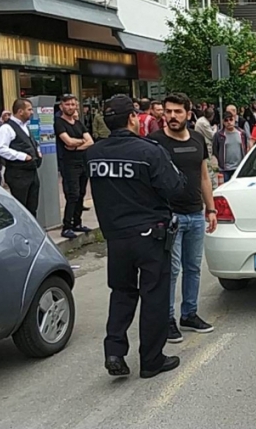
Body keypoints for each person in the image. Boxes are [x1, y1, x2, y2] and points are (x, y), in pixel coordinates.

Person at [86, 95, 186, 379]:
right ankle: (151, 360)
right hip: (150, 236)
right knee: (153, 295)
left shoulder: (93, 153)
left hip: (116, 238)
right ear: (132, 118)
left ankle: (115, 351)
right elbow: (175, 188)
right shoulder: (148, 151)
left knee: (121, 293)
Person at [150, 93, 218, 343]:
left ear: (188, 114)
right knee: (171, 269)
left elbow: (204, 176)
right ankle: (166, 319)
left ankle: (189, 314)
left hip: (195, 214)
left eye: (178, 112)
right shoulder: (155, 142)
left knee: (193, 268)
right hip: (169, 216)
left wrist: (210, 209)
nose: (172, 116)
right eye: (168, 111)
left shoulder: (198, 139)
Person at [55, 94, 94, 239]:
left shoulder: (78, 123)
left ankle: (77, 222)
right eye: (67, 104)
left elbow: (90, 141)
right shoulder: (59, 123)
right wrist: (79, 142)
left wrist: (76, 146)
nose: (70, 107)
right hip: (69, 164)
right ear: (61, 106)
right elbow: (67, 141)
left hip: (82, 162)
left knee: (82, 193)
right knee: (73, 194)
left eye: (73, 104)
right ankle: (67, 226)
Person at [0, 99, 42, 216]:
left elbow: (30, 142)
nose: (32, 112)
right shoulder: (6, 128)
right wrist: (22, 156)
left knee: (32, 206)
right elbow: (1, 148)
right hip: (18, 174)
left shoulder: (25, 126)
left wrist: (37, 151)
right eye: (29, 109)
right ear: (20, 111)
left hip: (31, 172)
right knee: (21, 208)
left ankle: (32, 233)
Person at [212, 111, 248, 182]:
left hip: (239, 168)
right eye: (226, 120)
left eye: (231, 119)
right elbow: (215, 150)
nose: (229, 122)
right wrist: (220, 162)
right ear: (223, 122)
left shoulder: (242, 133)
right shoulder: (219, 135)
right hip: (225, 169)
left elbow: (245, 147)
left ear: (234, 120)